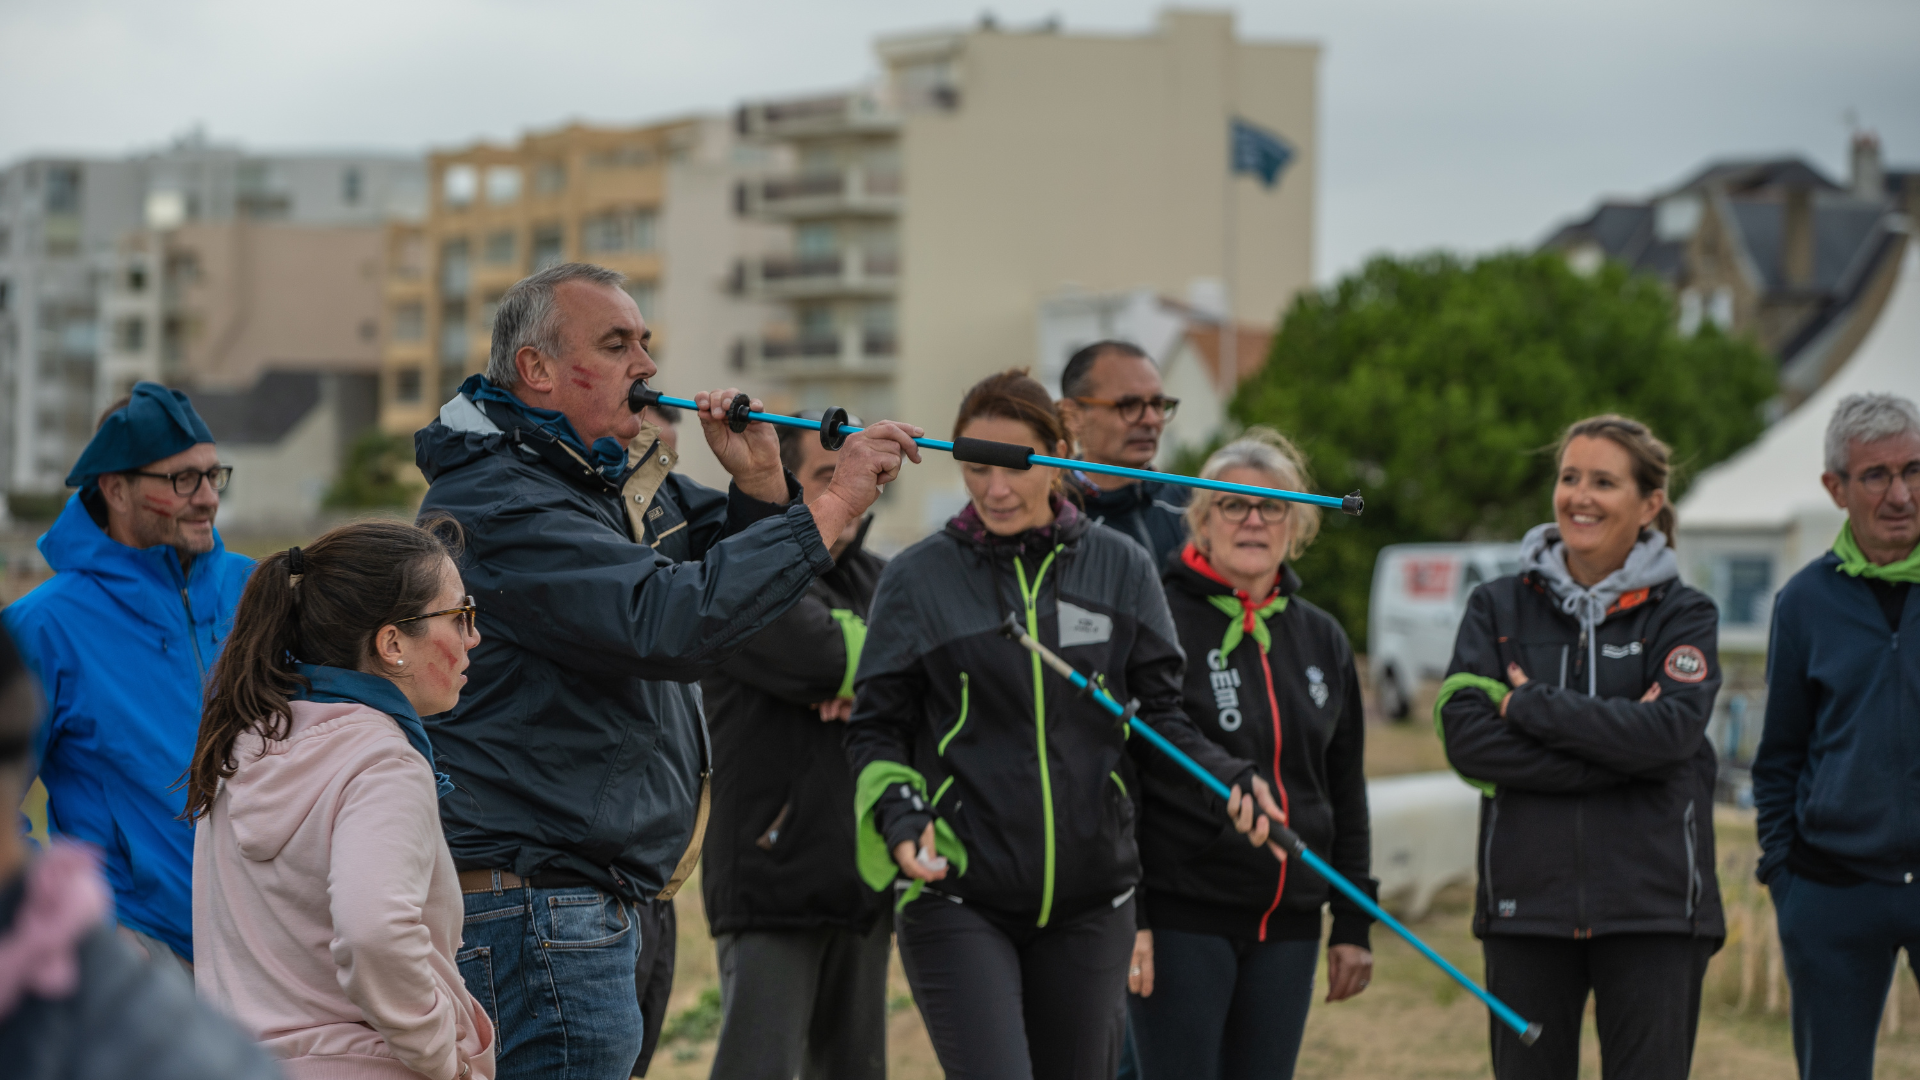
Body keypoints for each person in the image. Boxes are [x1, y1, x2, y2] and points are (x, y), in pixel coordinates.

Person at [412, 262, 918, 1080]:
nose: (647, 368)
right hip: (537, 902)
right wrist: (833, 502)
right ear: (536, 370)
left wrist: (758, 487)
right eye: (616, 345)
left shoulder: (587, 479)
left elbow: (728, 588)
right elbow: (673, 619)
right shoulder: (502, 503)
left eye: (644, 342)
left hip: (596, 898)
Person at [846, 369, 1280, 1080]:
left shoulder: (1122, 567)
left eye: (1015, 467)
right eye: (975, 468)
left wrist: (1229, 775)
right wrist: (898, 811)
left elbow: (1162, 716)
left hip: (1092, 901)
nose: (994, 489)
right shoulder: (917, 579)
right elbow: (875, 729)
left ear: (1058, 455)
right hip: (957, 891)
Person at [1438, 414, 1724, 1080]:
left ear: (1649, 503)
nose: (1580, 496)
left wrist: (1529, 706)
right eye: (1569, 478)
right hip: (1525, 911)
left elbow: (1672, 734)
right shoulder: (1496, 608)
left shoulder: (1684, 614)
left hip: (1654, 911)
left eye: (1604, 481)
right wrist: (1623, 753)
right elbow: (1469, 740)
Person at [189, 520, 493, 1079]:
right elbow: (374, 931)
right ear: (392, 643)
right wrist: (442, 1059)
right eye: (459, 617)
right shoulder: (382, 761)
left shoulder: (243, 744)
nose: (473, 636)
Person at [1130, 429, 1375, 1080]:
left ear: (1298, 527)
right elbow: (1123, 772)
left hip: (1291, 922)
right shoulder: (1156, 615)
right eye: (1233, 504)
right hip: (1184, 914)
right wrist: (1136, 915)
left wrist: (1353, 921)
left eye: (1272, 507)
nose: (1253, 520)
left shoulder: (1321, 634)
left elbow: (1344, 788)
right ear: (1201, 522)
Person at [2, 381, 253, 974]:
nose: (207, 498)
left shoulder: (258, 592)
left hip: (270, 958)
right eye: (180, 479)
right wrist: (71, 926)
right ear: (115, 488)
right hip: (138, 959)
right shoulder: (43, 626)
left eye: (214, 475)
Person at [700, 413, 891, 1080]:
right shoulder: (742, 572)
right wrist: (873, 674)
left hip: (866, 880)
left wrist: (868, 679)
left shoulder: (884, 579)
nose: (851, 492)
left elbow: (932, 678)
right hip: (771, 880)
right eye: (825, 477)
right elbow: (817, 653)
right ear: (784, 482)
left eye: (859, 477)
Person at [0, 623, 279, 1080]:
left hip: (261, 958)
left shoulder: (250, 586)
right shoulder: (46, 625)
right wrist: (105, 929)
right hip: (143, 950)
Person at [1753, 392, 1920, 1080]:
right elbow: (1780, 756)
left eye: (1915, 470)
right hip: (1831, 890)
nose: (1901, 494)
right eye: (1876, 475)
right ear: (1836, 488)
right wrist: (1785, 879)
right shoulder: (1803, 604)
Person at [1056, 341, 1188, 565]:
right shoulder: (1049, 517)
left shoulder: (1191, 511)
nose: (1151, 420)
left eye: (1157, 404)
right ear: (1073, 416)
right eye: (1129, 405)